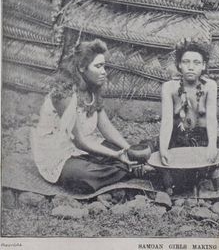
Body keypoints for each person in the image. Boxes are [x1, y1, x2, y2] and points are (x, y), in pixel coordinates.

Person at [31, 39, 149, 194]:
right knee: (83, 175)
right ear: (81, 67)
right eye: (98, 66)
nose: (104, 71)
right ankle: (127, 169)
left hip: (87, 146)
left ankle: (124, 167)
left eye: (104, 65)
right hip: (60, 153)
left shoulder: (93, 89)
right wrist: (117, 155)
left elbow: (106, 126)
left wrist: (128, 150)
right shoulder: (64, 94)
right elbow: (79, 141)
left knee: (123, 151)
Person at [148, 38, 219, 195]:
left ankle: (196, 173)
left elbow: (212, 119)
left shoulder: (209, 86)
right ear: (179, 64)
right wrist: (164, 148)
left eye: (196, 63)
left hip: (203, 138)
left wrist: (212, 146)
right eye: (186, 62)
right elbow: (167, 122)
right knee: (160, 157)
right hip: (178, 138)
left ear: (204, 65)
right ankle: (185, 174)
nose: (191, 67)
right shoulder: (169, 88)